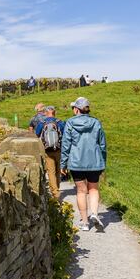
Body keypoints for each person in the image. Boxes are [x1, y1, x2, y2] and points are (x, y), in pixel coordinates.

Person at [61, 97, 107, 231]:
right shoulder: (96, 122)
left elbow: (66, 144)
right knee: (93, 189)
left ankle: (85, 222)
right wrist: (103, 162)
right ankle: (94, 213)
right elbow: (102, 145)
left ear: (76, 109)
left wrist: (63, 164)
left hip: (76, 162)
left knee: (81, 191)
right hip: (94, 161)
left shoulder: (70, 123)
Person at [35, 106, 64, 199]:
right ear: (54, 113)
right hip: (59, 150)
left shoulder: (42, 123)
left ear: (46, 113)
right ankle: (57, 187)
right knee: (58, 170)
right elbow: (65, 135)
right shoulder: (60, 122)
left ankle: (55, 192)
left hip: (47, 151)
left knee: (51, 171)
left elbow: (36, 135)